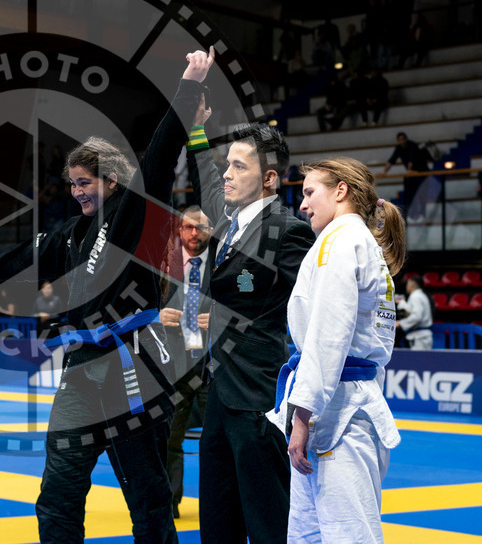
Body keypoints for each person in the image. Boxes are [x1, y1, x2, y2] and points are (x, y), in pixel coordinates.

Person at [0, 48, 217, 543]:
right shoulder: (68, 235)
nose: (76, 191)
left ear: (112, 180)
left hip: (135, 368)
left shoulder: (134, 214)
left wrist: (187, 86)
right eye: (72, 183)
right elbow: (16, 257)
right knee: (57, 493)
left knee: (146, 495)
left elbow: (161, 154)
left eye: (85, 182)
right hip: (79, 368)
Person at [185, 113, 316, 543]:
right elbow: (206, 176)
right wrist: (196, 125)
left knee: (266, 521)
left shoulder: (289, 232)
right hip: (219, 395)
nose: (227, 174)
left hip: (260, 394)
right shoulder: (228, 227)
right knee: (218, 521)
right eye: (228, 165)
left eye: (240, 166)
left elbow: (315, 307)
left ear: (270, 179)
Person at [272, 156, 406, 543]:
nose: (302, 204)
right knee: (307, 534)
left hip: (338, 414)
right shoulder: (354, 241)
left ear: (341, 191)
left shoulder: (341, 241)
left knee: (348, 536)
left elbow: (327, 337)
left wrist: (302, 417)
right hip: (341, 406)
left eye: (310, 192)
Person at [158, 205, 212, 520]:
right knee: (170, 439)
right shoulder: (162, 269)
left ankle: (224, 503)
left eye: (201, 227)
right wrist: (156, 317)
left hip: (215, 366)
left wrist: (218, 319)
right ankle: (169, 503)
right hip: (176, 366)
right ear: (179, 230)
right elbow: (138, 310)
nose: (194, 233)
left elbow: (249, 309)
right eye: (188, 227)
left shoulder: (224, 266)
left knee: (224, 441)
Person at [398, 276, 433, 350]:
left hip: (420, 337)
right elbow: (411, 311)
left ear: (412, 285)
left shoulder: (416, 296)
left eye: (407, 284)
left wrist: (400, 323)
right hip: (420, 336)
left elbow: (417, 316)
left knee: (419, 360)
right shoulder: (420, 295)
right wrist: (402, 303)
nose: (406, 287)